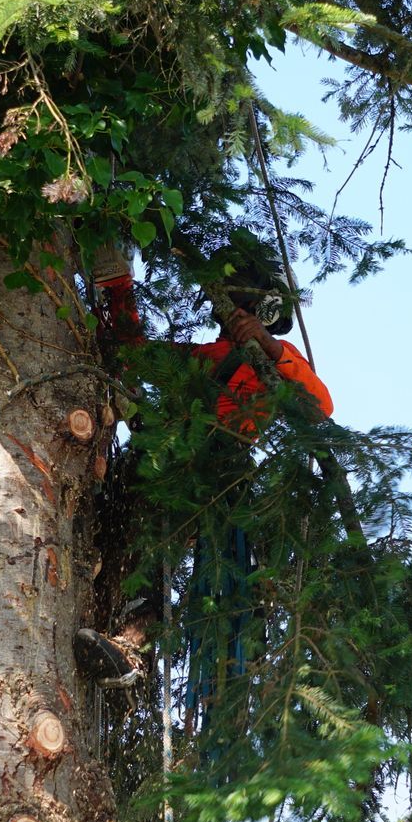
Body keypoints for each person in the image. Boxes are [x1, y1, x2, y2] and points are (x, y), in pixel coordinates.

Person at [74, 242, 332, 690]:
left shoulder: (275, 360)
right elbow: (134, 352)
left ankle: (129, 648)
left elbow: (320, 404)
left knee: (154, 554)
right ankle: (91, 622)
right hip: (153, 462)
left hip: (207, 474)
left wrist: (267, 345)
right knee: (109, 540)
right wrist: (119, 288)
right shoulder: (203, 358)